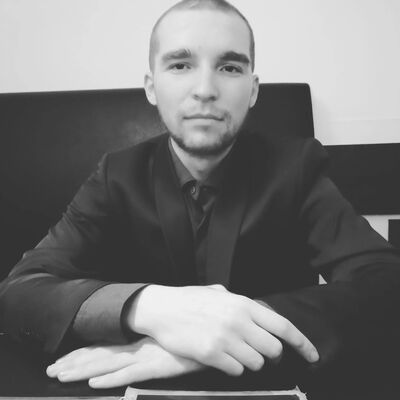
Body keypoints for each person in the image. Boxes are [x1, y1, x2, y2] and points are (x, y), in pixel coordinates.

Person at [1, 0, 400, 391]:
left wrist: (229, 333)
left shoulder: (297, 168)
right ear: (152, 87)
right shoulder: (115, 176)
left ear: (253, 90)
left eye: (230, 67)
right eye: (180, 65)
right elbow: (19, 291)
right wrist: (147, 307)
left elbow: (386, 283)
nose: (206, 89)